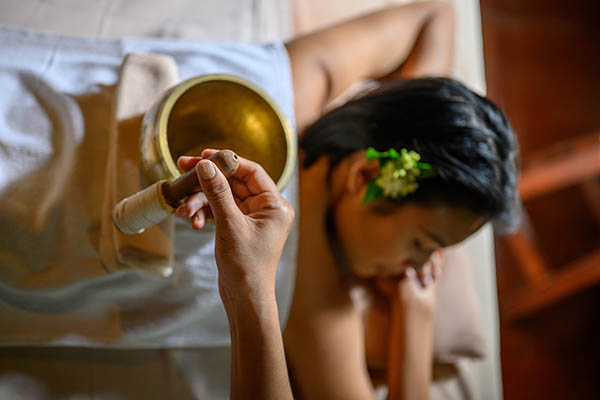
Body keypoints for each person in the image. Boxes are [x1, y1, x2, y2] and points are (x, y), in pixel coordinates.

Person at [177, 1, 519, 399]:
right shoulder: (314, 291)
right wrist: (416, 323)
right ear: (366, 176)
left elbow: (437, 13)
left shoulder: (304, 78)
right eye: (422, 244)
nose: (425, 268)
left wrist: (428, 115)